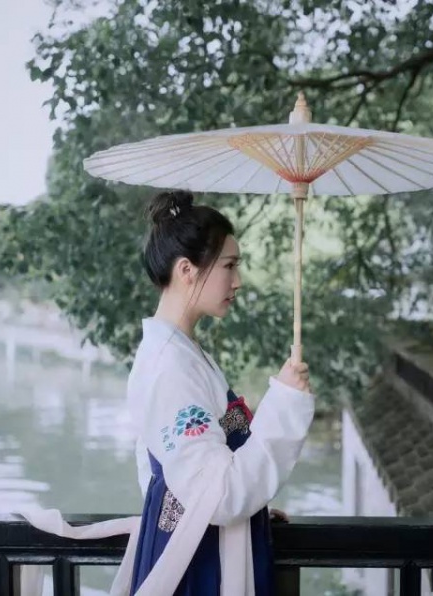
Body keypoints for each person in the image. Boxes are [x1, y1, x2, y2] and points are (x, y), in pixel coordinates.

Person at [127, 189, 315, 595]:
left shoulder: (181, 352)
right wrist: (285, 403)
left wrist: (249, 510)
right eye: (229, 265)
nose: (238, 281)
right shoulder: (170, 365)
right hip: (199, 565)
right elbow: (216, 496)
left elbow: (175, 470)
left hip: (200, 544)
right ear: (187, 270)